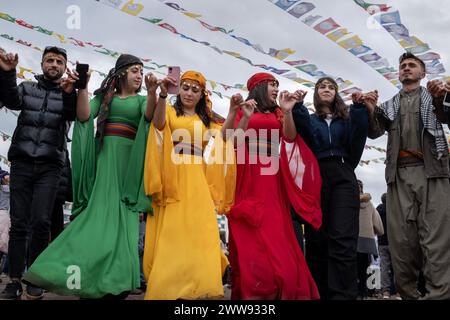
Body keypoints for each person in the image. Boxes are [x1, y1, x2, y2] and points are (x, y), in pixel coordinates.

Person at [22, 53, 153, 299]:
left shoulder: (142, 100)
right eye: (135, 70)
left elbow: (151, 117)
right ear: (122, 72)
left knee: (124, 225)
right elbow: (83, 117)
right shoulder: (105, 98)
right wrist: (83, 87)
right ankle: (63, 271)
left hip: (130, 168)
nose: (139, 76)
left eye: (141, 72)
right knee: (97, 221)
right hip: (104, 162)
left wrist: (157, 92)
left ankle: (117, 281)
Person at [143, 70, 240, 300]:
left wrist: (233, 111)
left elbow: (225, 136)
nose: (189, 93)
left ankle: (201, 281)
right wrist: (162, 95)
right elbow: (157, 124)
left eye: (195, 90)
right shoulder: (168, 110)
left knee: (201, 230)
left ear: (201, 95)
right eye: (185, 88)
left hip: (197, 177)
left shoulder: (206, 120)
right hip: (172, 175)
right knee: (173, 232)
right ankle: (169, 284)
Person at [228, 72, 322, 300]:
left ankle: (280, 284)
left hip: (272, 177)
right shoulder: (243, 108)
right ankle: (256, 286)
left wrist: (288, 111)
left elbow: (289, 138)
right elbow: (233, 141)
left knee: (276, 230)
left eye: (277, 84)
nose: (276, 88)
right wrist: (245, 117)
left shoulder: (278, 112)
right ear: (259, 87)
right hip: (248, 171)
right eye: (272, 84)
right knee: (250, 229)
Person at [366, 52, 450, 299]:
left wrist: (442, 97)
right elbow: (373, 132)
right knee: (401, 243)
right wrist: (371, 109)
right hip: (399, 177)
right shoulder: (389, 105)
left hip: (432, 174)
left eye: (412, 65)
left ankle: (439, 295)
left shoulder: (435, 96)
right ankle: (409, 295)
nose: (406, 68)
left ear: (423, 74)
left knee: (436, 240)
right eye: (403, 66)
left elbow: (448, 115)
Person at [0, 46, 77, 300]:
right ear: (42, 64)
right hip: (21, 163)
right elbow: (11, 101)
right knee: (18, 224)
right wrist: (8, 74)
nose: (54, 64)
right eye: (49, 60)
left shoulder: (69, 93)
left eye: (59, 61)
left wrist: (69, 93)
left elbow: (72, 115)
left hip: (50, 166)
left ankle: (34, 277)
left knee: (42, 222)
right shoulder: (26, 88)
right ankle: (13, 280)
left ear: (65, 67)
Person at [292, 77, 374, 300]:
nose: (326, 90)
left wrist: (358, 108)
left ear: (336, 93)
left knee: (343, 237)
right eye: (321, 87)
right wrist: (298, 107)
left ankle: (343, 294)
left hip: (343, 173)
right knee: (317, 236)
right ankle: (319, 293)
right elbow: (303, 136)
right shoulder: (310, 119)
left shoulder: (345, 119)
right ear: (316, 94)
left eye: (331, 87)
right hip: (316, 175)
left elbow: (357, 139)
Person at [356, 179, 384, 299]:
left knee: (352, 267)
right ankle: (364, 294)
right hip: (367, 241)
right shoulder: (370, 204)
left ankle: (355, 292)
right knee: (364, 268)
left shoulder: (350, 201)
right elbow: (378, 224)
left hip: (353, 239)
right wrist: (377, 232)